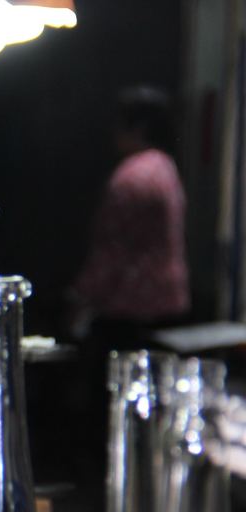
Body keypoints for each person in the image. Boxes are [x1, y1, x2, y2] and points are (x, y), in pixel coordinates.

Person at [70, 86, 189, 347]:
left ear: (136, 128)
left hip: (130, 309)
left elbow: (112, 249)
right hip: (168, 302)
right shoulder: (164, 167)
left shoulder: (131, 177)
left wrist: (80, 298)